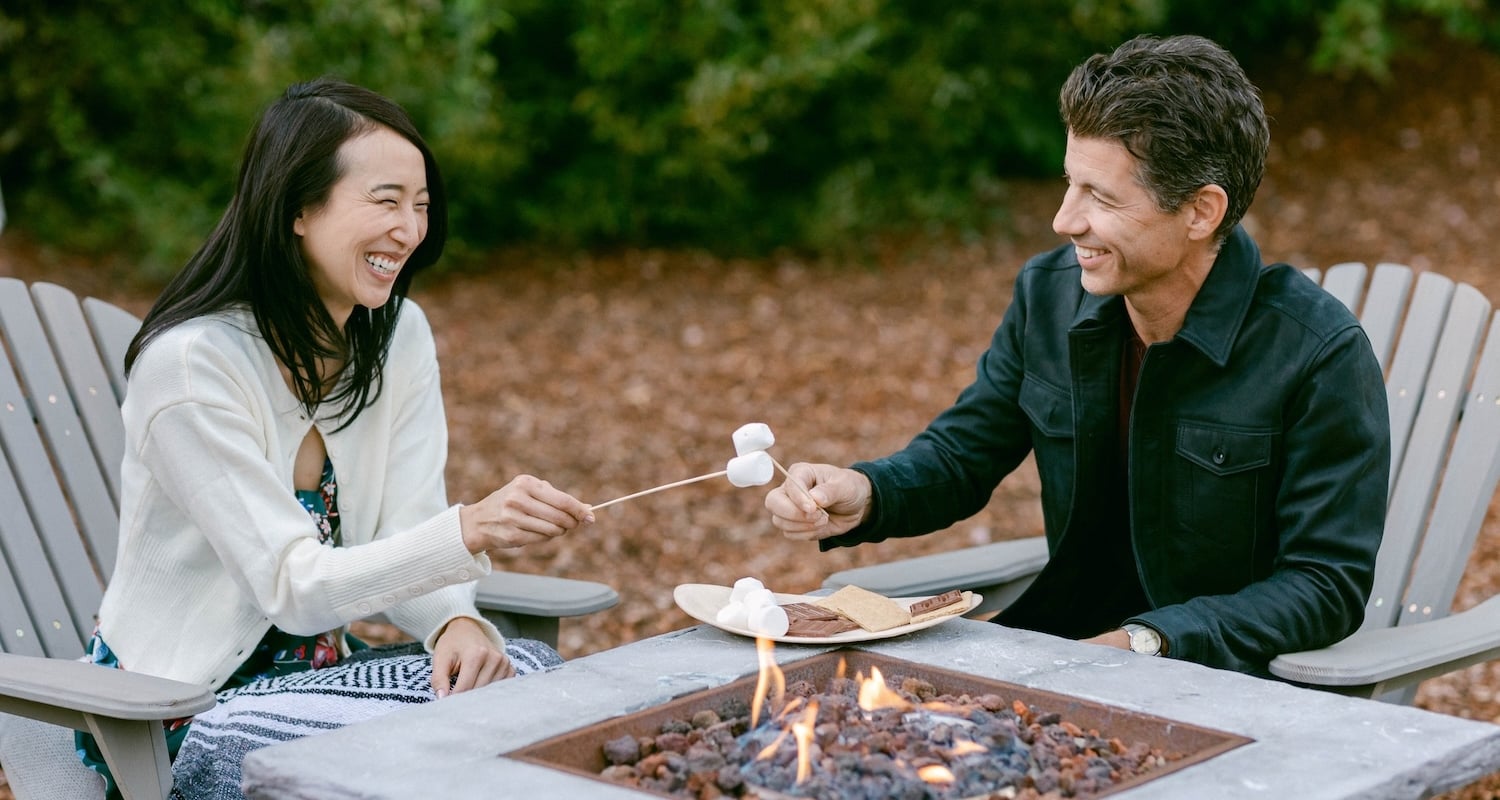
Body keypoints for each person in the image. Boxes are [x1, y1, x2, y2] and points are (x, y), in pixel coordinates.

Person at [765, 34, 1390, 677]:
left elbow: (1325, 585)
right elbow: (963, 454)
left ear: (1201, 211)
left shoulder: (1319, 354)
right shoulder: (1049, 295)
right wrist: (866, 492)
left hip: (1230, 684)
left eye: (1102, 197)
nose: (1065, 220)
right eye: (1071, 184)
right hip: (1061, 656)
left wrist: (1145, 641)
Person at [78, 77, 595, 796]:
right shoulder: (193, 366)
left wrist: (453, 624)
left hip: (321, 686)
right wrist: (472, 528)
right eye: (385, 201)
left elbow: (406, 523)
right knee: (384, 756)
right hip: (175, 713)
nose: (409, 230)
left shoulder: (398, 340)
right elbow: (291, 588)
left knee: (527, 676)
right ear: (297, 207)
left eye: (420, 206)